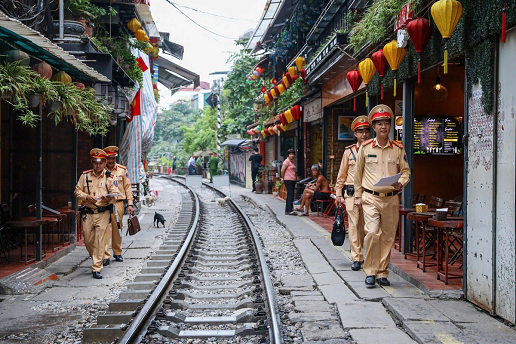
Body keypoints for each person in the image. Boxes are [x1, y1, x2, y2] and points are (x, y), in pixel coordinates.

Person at [354, 105, 411, 288]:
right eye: (379, 124)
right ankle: (370, 271)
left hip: (391, 199)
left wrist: (401, 183)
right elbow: (357, 173)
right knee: (372, 232)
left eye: (386, 123)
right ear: (374, 127)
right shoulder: (365, 147)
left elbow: (406, 172)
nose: (383, 127)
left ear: (390, 125)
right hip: (370, 198)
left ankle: (382, 272)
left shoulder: (398, 149)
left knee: (387, 236)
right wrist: (357, 196)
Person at [74, 148, 119, 279]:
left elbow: (115, 194)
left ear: (105, 163)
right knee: (88, 240)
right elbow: (77, 191)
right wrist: (86, 197)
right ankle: (97, 257)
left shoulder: (110, 177)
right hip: (88, 213)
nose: (98, 165)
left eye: (101, 163)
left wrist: (108, 198)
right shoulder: (85, 176)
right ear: (92, 162)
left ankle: (96, 267)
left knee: (100, 240)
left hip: (103, 212)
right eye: (95, 162)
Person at [335, 116, 371, 271]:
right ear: (355, 134)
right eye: (360, 131)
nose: (364, 134)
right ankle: (357, 257)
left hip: (369, 193)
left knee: (367, 227)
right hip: (350, 193)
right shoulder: (348, 152)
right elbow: (341, 174)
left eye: (366, 131)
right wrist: (338, 193)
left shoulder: (374, 150)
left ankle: (367, 255)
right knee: (355, 225)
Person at [103, 146, 134, 265]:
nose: (110, 161)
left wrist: (130, 204)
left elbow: (128, 188)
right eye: (108, 158)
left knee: (117, 228)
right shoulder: (101, 170)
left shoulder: (122, 170)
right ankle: (106, 255)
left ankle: (117, 252)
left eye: (112, 158)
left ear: (115, 158)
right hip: (104, 203)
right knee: (104, 229)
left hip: (118, 204)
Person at [281, 149, 297, 215]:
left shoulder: (292, 162)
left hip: (292, 180)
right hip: (288, 180)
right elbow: (282, 170)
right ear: (288, 155)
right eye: (290, 154)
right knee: (290, 194)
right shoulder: (286, 161)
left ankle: (288, 209)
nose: (292, 155)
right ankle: (289, 210)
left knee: (291, 194)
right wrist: (283, 178)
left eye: (293, 154)